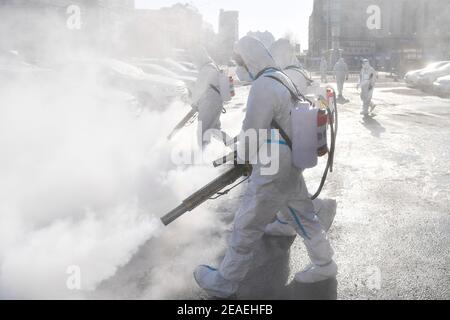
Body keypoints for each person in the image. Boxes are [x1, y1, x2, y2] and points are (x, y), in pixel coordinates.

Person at [193, 36, 337, 298]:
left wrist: (240, 158)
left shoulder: (263, 85)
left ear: (250, 59)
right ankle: (325, 264)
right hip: (289, 162)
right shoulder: (282, 78)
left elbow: (253, 130)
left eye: (240, 62)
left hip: (273, 166)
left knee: (247, 223)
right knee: (304, 217)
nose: (239, 68)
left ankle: (225, 282)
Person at [190, 47, 224, 145]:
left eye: (194, 59)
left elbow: (199, 89)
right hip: (215, 103)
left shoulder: (206, 69)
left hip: (209, 104)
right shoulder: (212, 66)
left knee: (203, 132)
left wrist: (194, 103)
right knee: (215, 130)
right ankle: (232, 147)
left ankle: (203, 156)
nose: (194, 62)